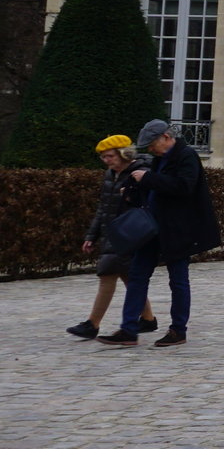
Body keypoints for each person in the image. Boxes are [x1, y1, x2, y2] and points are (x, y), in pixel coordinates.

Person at [99, 120, 219, 349]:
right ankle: (129, 329)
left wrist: (148, 179)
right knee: (137, 276)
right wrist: (135, 190)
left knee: (178, 280)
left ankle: (178, 330)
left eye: (152, 144)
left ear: (166, 137)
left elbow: (184, 187)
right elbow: (157, 190)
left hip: (178, 229)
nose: (150, 150)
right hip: (152, 228)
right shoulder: (160, 158)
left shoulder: (186, 156)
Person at [67, 135, 155, 339]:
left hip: (129, 234)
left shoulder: (140, 173)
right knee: (128, 278)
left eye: (110, 156)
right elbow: (103, 208)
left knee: (107, 276)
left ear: (124, 154)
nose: (107, 161)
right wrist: (92, 235)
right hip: (111, 233)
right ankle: (148, 319)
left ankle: (92, 324)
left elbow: (145, 205)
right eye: (104, 157)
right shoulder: (110, 175)